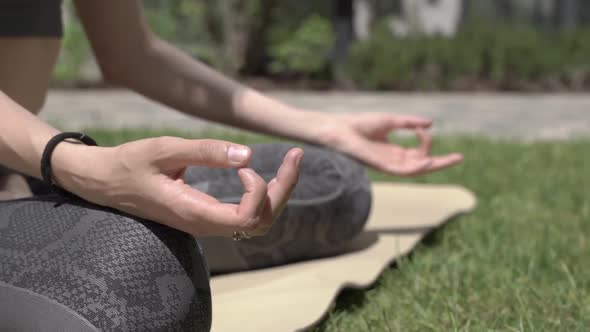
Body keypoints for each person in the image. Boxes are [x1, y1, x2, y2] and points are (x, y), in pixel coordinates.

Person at [0, 1, 463, 330]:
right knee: (138, 278)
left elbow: (131, 53)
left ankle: (177, 238)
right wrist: (79, 165)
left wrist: (324, 128)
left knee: (332, 184)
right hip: (54, 164)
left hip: (33, 171)